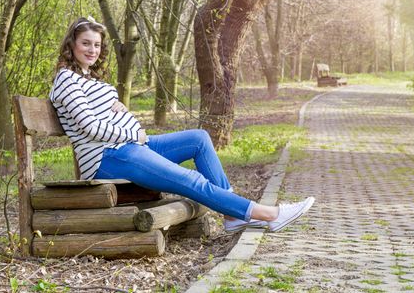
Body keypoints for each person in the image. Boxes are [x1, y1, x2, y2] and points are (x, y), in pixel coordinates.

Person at [50, 16, 314, 233]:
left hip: (129, 146)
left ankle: (233, 214)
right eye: (86, 43)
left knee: (199, 139)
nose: (92, 50)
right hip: (107, 157)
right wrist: (132, 131)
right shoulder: (66, 80)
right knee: (190, 178)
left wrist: (119, 109)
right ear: (71, 44)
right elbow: (89, 127)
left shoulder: (90, 79)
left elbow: (104, 115)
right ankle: (269, 214)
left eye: (96, 45)